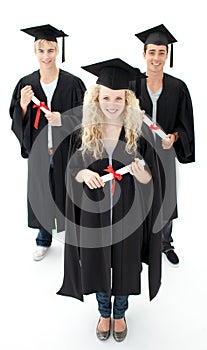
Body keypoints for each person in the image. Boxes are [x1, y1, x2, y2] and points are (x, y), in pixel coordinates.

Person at [57, 58, 163, 342]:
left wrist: (141, 175)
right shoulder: (85, 131)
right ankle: (104, 312)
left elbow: (152, 178)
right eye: (106, 97)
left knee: (126, 265)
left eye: (118, 98)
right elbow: (71, 169)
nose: (112, 103)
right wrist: (82, 175)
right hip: (96, 214)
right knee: (97, 262)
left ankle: (120, 313)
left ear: (127, 101)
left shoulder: (138, 134)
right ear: (96, 98)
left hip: (129, 213)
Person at [9, 24, 86, 261]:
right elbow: (16, 119)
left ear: (58, 51)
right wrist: (22, 105)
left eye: (51, 50)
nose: (46, 56)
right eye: (41, 51)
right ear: (35, 52)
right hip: (41, 152)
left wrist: (64, 119)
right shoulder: (27, 84)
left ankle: (74, 243)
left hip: (67, 152)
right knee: (43, 194)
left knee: (69, 194)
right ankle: (44, 239)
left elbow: (87, 115)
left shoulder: (73, 83)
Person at [134, 24, 195, 266]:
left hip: (166, 154)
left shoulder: (178, 87)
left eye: (161, 52)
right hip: (137, 154)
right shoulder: (132, 85)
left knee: (166, 200)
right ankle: (139, 245)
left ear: (166, 55)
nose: (156, 58)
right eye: (152, 52)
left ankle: (164, 243)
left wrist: (174, 138)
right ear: (144, 54)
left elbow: (185, 124)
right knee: (137, 200)